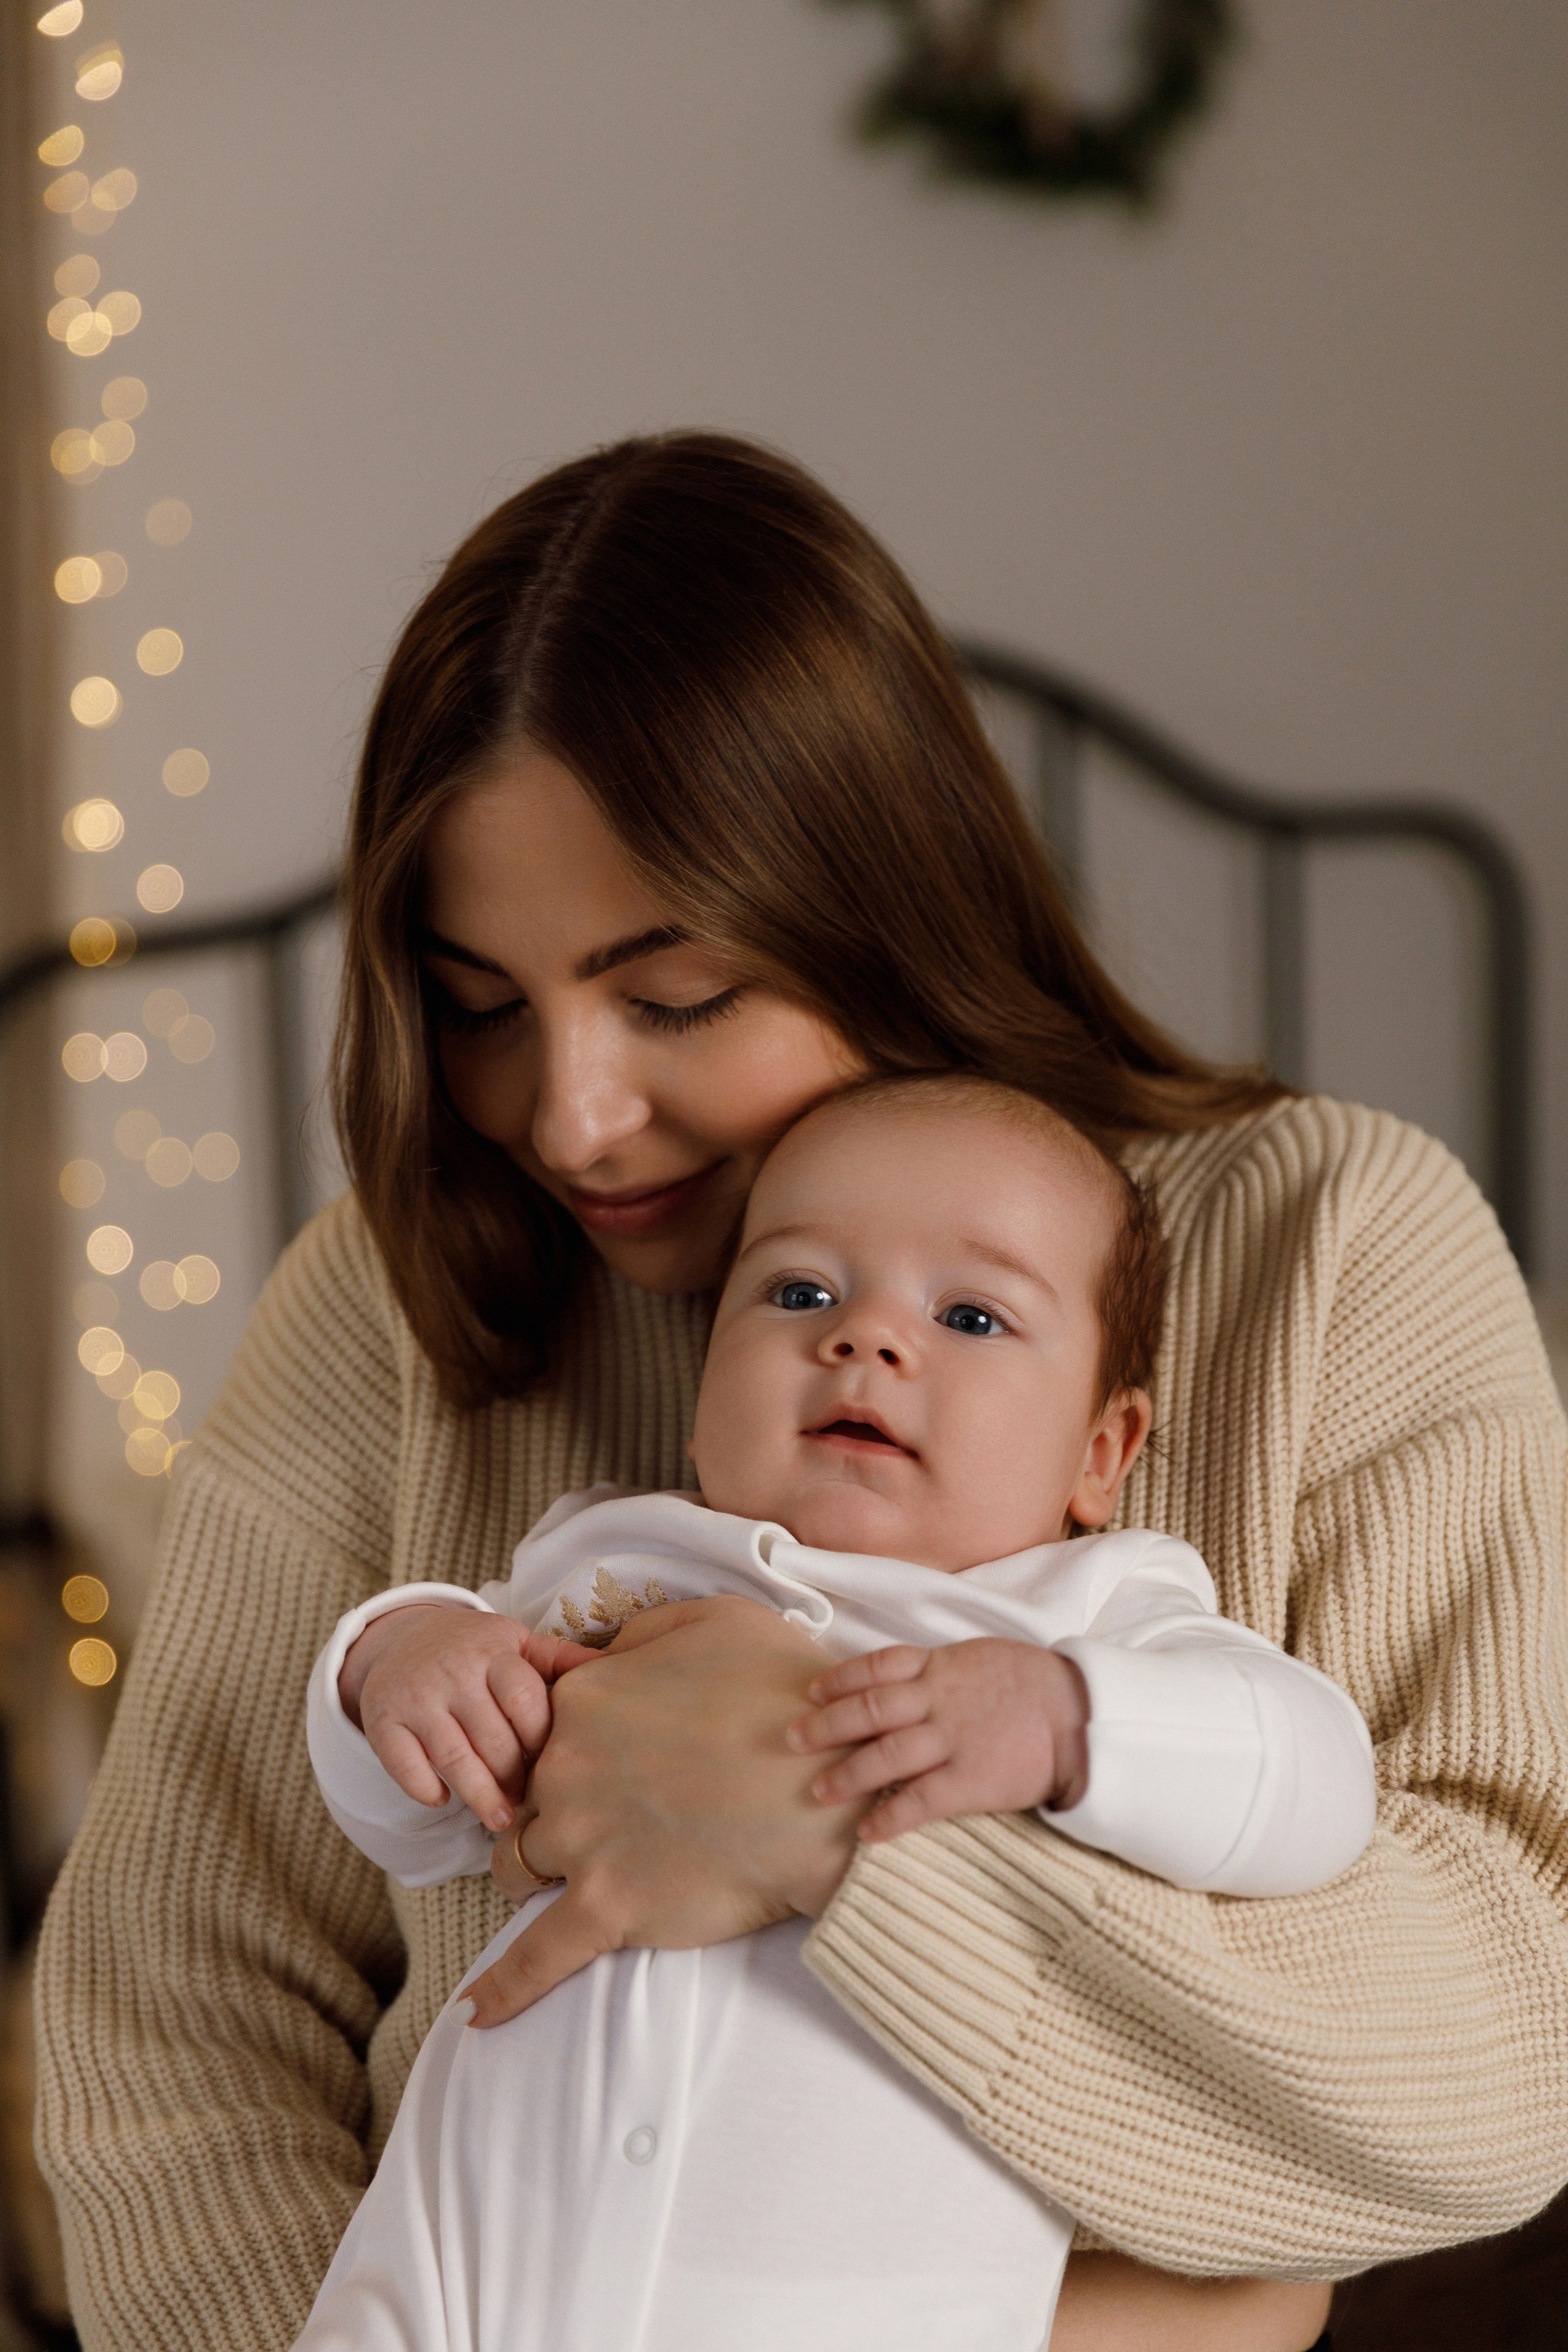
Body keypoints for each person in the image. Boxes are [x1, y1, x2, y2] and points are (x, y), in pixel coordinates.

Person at [34, 432, 1568, 2352]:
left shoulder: (1340, 1248)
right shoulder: (385, 1303)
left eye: (674, 998)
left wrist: (818, 1822)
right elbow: (175, 2021)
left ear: (882, 901)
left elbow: (1498, 2062)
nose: (572, 1118)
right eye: (482, 1004)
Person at [294, 1076, 1376, 2351]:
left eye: (970, 1314)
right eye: (799, 1293)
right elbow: (420, 1826)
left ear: (1100, 1452)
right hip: (461, 2286)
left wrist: (1072, 1722)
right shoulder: (610, 1569)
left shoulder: (1086, 1617)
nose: (864, 1339)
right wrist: (396, 1658)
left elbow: (1314, 1783)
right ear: (704, 1389)